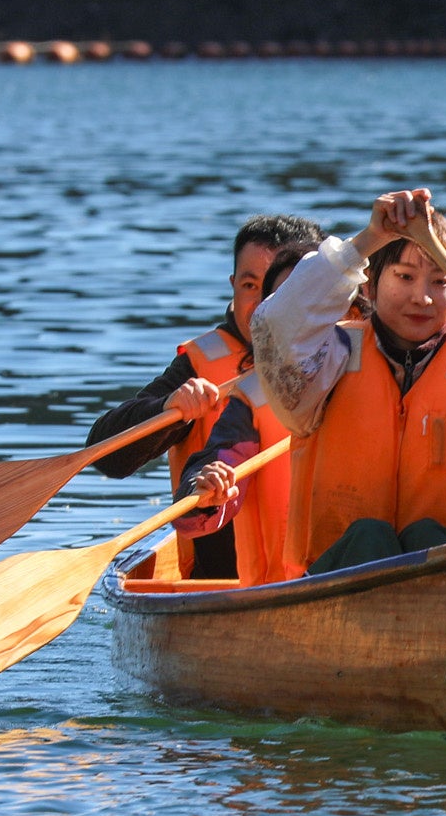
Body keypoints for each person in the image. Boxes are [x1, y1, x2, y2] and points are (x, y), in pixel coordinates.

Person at [197, 188, 446, 576]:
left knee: (432, 538)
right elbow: (277, 324)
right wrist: (369, 239)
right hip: (340, 579)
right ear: (369, 286)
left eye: (440, 282)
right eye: (405, 276)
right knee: (370, 536)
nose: (422, 297)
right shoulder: (328, 360)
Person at [85, 213, 324, 576]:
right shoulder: (201, 366)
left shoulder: (349, 354)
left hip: (325, 565)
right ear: (232, 286)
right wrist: (168, 408)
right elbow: (106, 456)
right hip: (222, 577)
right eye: (250, 286)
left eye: (283, 290)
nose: (264, 305)